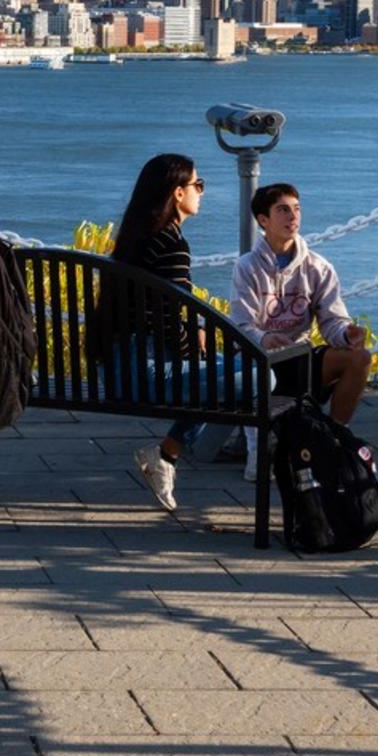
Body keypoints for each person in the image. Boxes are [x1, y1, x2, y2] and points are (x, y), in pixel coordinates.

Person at [113, 153, 215, 512]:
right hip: (147, 371)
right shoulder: (171, 245)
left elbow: (160, 314)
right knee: (257, 377)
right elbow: (170, 320)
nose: (202, 192)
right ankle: (167, 453)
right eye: (198, 185)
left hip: (116, 365)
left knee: (226, 371)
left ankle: (165, 456)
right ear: (177, 193)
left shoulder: (135, 239)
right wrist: (194, 351)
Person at [232, 182, 372, 425]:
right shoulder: (247, 267)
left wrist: (346, 334)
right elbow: (242, 326)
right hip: (259, 362)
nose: (293, 216)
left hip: (299, 357)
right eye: (283, 210)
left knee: (360, 358)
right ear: (263, 220)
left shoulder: (318, 267)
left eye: (297, 208)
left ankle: (335, 432)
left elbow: (332, 321)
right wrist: (265, 338)